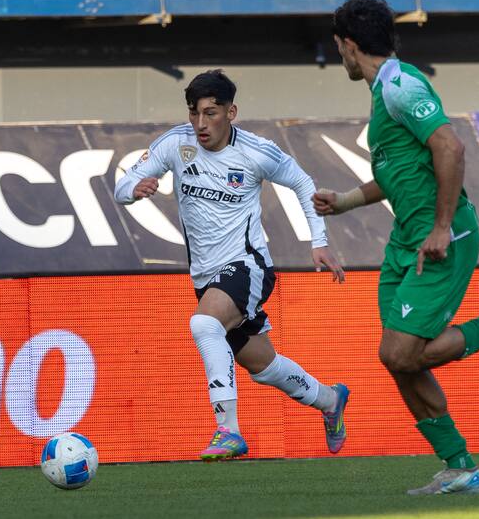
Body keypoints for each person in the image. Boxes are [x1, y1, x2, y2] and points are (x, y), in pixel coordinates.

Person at [313, 0, 479, 495]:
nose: (339, 56)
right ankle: (460, 467)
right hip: (405, 243)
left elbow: (449, 146)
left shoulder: (400, 86)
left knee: (399, 351)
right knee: (400, 360)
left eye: (338, 47)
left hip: (440, 240)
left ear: (350, 46)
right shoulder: (382, 93)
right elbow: (399, 174)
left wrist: (439, 227)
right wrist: (347, 200)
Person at [115, 69, 351, 461]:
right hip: (207, 277)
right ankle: (329, 400)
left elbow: (304, 183)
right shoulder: (176, 143)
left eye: (211, 113)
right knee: (262, 365)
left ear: (231, 112)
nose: (201, 124)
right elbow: (124, 186)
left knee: (203, 323)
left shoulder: (257, 151)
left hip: (249, 265)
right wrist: (134, 191)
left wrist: (320, 242)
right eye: (194, 114)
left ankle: (227, 431)